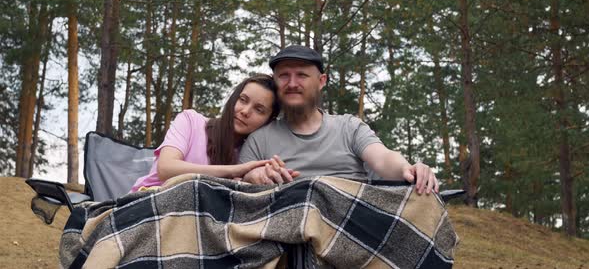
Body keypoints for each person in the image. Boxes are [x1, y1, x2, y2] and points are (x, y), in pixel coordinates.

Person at [239, 45, 439, 195]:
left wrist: (408, 169)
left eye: (301, 75)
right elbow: (242, 187)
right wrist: (252, 178)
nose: (292, 83)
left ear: (321, 81)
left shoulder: (349, 127)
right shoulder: (259, 140)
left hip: (354, 223)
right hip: (290, 230)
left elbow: (382, 158)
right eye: (284, 75)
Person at [131, 74, 286, 192]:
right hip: (147, 204)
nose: (245, 111)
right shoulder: (191, 121)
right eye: (243, 100)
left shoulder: (251, 154)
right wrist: (233, 171)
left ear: (269, 120)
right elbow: (166, 169)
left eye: (259, 109)